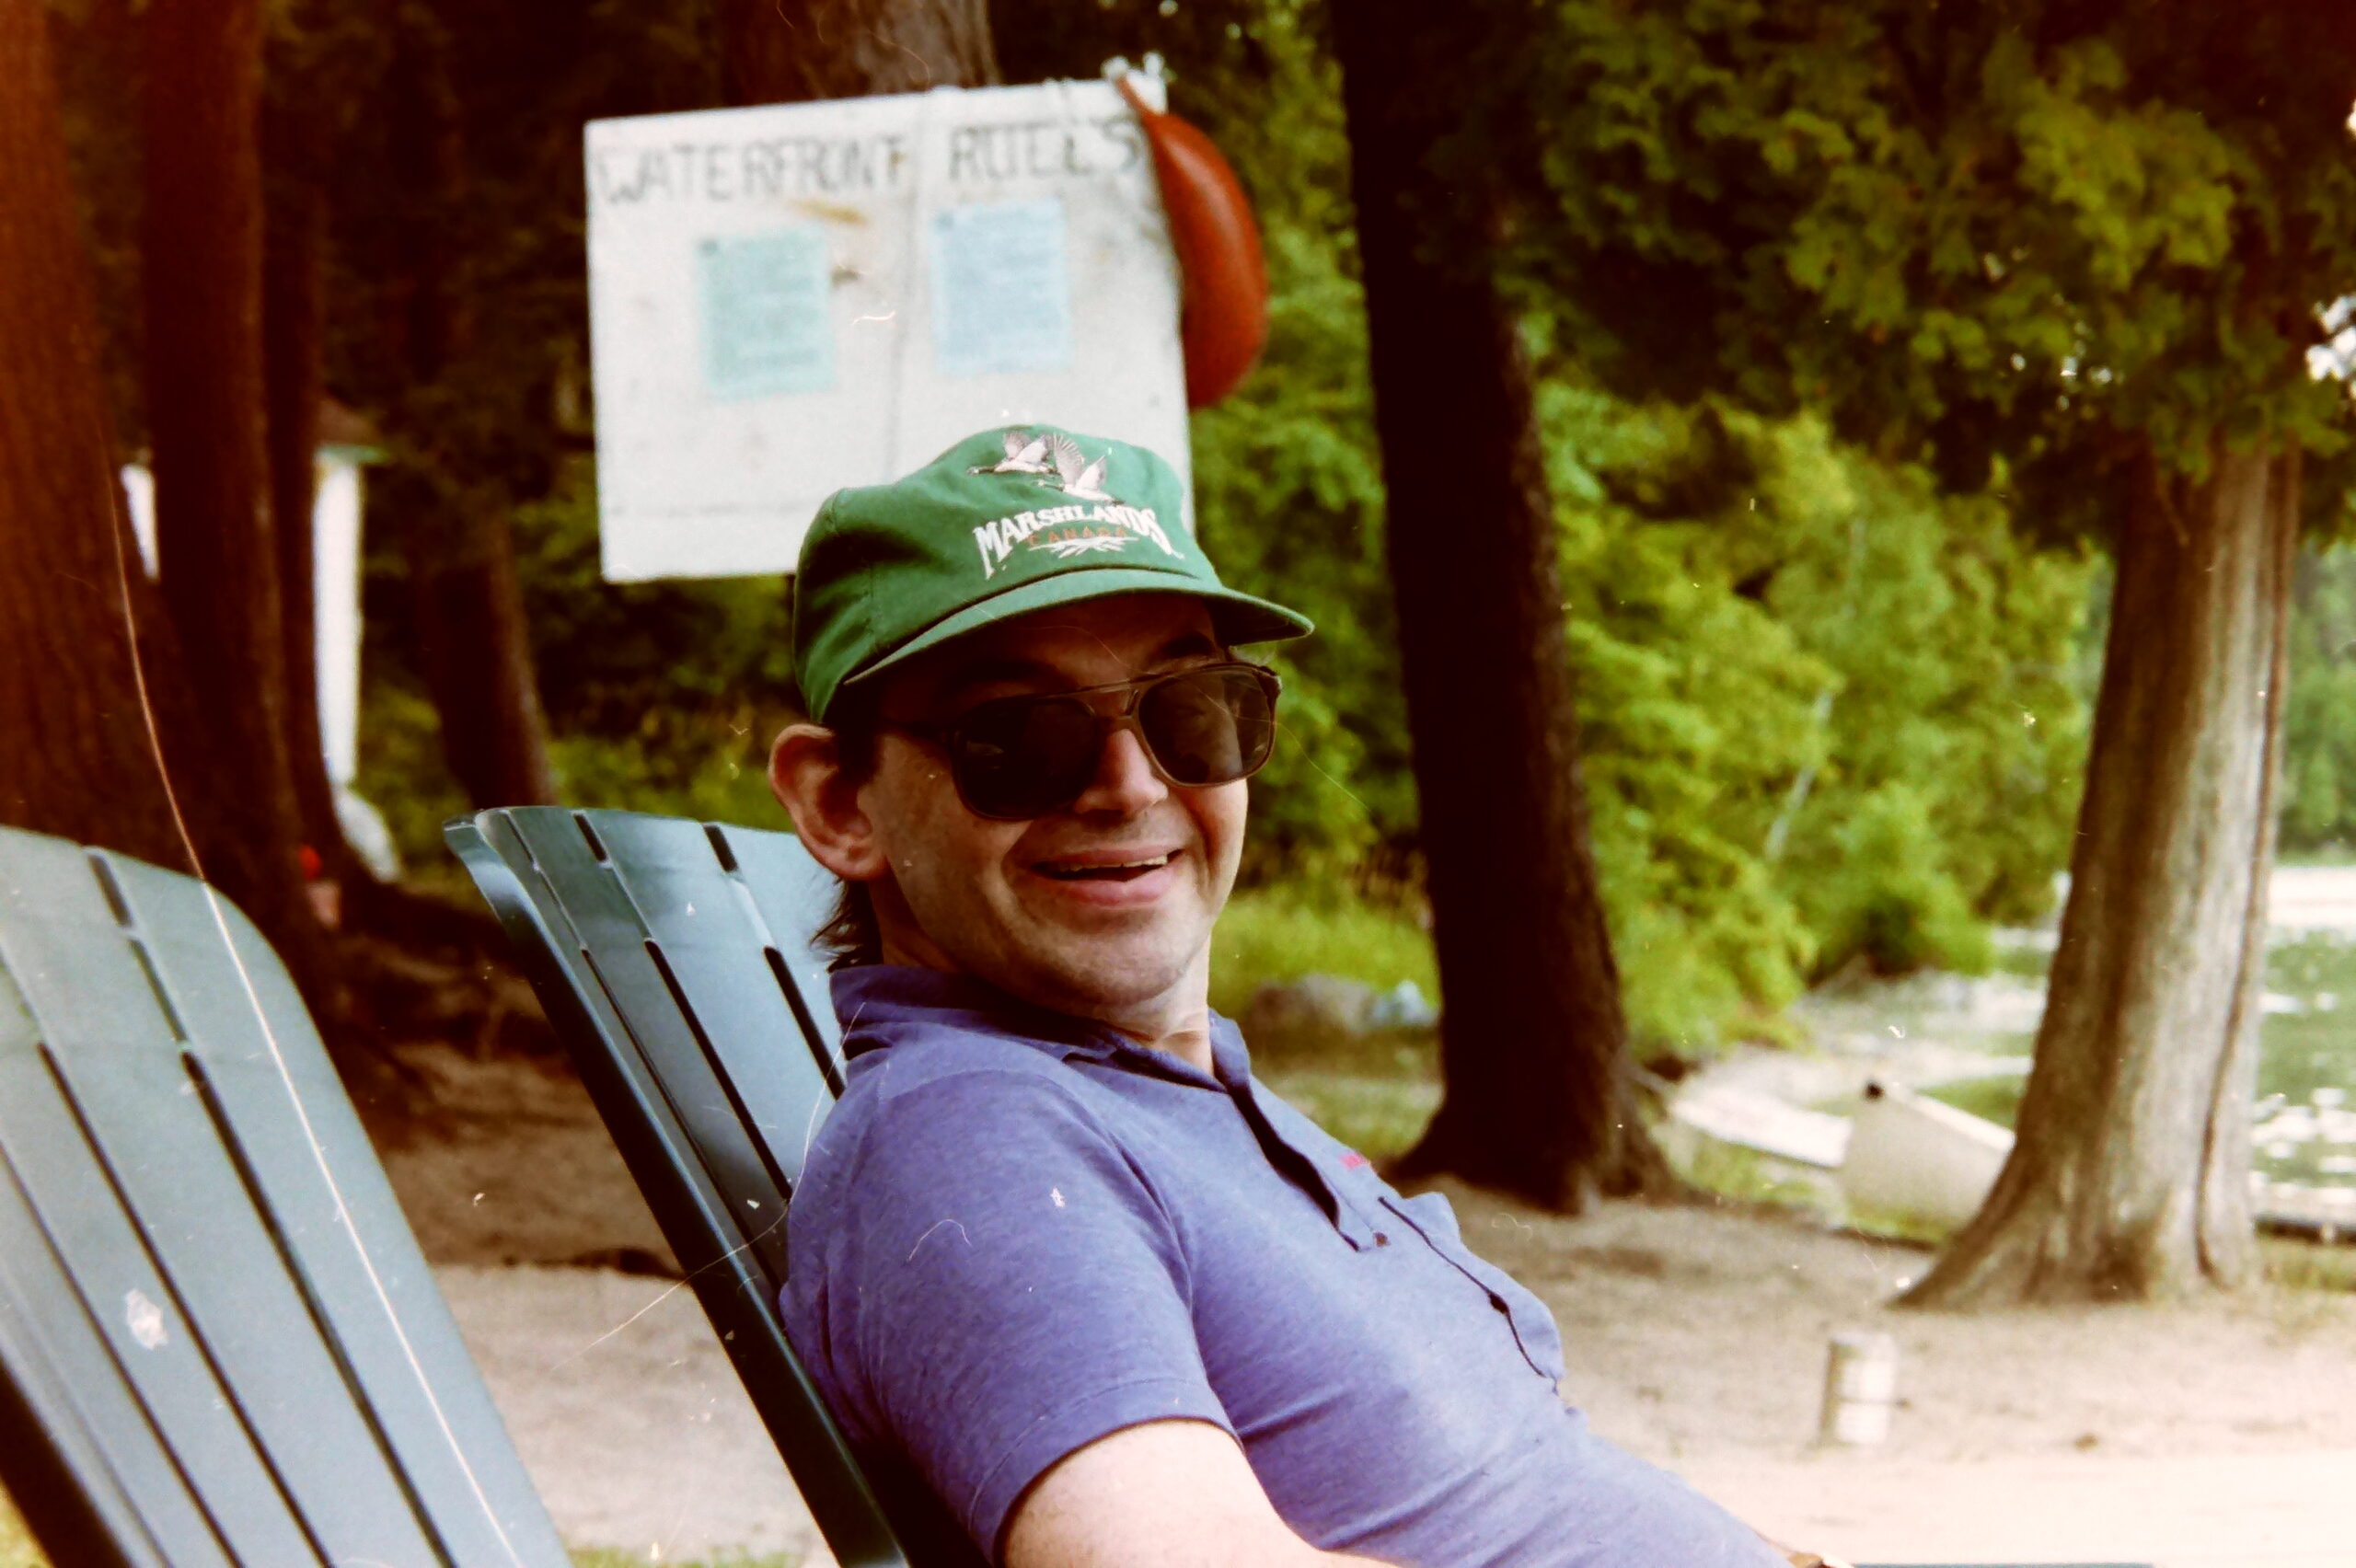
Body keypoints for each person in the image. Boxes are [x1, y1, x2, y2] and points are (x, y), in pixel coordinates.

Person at [768, 426, 1831, 1568]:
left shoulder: (1164, 1095)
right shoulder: (972, 1138)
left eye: (1188, 708)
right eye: (1017, 735)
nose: (1130, 785)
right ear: (840, 806)